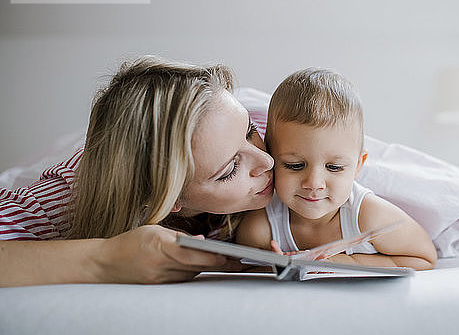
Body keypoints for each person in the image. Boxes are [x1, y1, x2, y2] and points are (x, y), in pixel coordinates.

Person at [0, 55, 275, 287]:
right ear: (162, 196)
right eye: (230, 170)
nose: (267, 161)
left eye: (250, 132)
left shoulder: (274, 126)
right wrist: (104, 259)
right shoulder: (66, 198)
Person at [236, 68, 437, 270]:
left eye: (334, 167)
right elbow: (240, 269)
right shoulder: (261, 228)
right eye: (294, 166)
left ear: (358, 166)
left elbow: (424, 258)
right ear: (270, 159)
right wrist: (271, 266)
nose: (314, 183)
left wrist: (342, 262)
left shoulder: (371, 218)